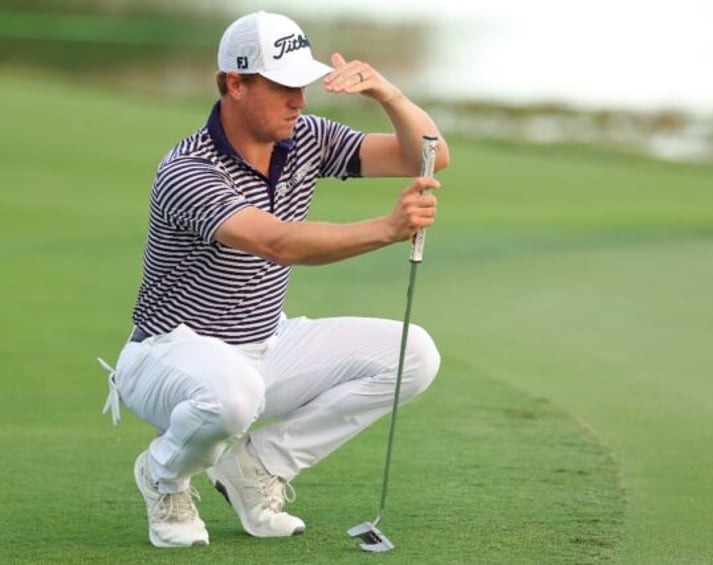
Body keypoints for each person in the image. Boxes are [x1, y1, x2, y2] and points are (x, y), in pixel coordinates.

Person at [97, 10, 449, 548]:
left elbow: (428, 153)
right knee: (233, 394)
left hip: (266, 343)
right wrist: (387, 228)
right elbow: (275, 242)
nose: (299, 102)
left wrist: (387, 93)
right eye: (284, 87)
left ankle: (256, 466)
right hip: (168, 355)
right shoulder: (188, 169)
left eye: (303, 86)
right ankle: (163, 475)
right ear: (234, 84)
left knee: (414, 353)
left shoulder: (305, 137)